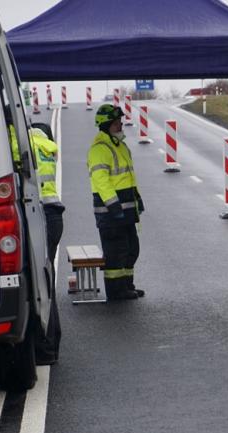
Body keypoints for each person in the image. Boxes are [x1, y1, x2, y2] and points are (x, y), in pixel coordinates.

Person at [87, 104, 144, 301]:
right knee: (115, 252)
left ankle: (127, 285)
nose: (120, 125)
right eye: (117, 122)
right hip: (111, 212)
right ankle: (115, 291)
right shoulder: (99, 149)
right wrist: (113, 206)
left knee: (131, 249)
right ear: (106, 125)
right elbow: (101, 181)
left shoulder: (118, 146)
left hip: (126, 209)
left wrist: (137, 199)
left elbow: (128, 177)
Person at [30, 127, 64, 266]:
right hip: (54, 207)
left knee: (36, 259)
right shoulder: (49, 149)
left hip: (34, 206)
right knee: (49, 257)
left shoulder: (26, 144)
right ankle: (50, 286)